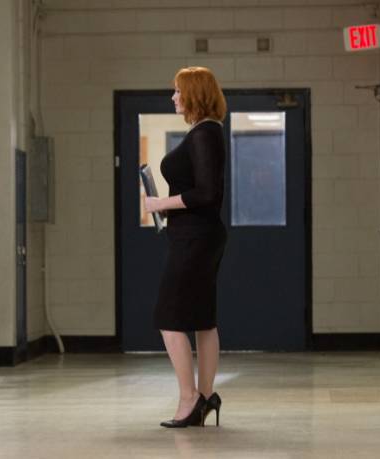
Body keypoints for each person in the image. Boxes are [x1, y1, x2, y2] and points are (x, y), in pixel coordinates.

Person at [144, 67, 228, 428]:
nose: (173, 97)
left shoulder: (205, 133)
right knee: (202, 319)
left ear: (194, 94)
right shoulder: (205, 132)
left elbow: (208, 194)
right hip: (197, 235)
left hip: (195, 237)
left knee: (169, 316)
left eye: (178, 91)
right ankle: (206, 396)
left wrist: (161, 204)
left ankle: (189, 397)